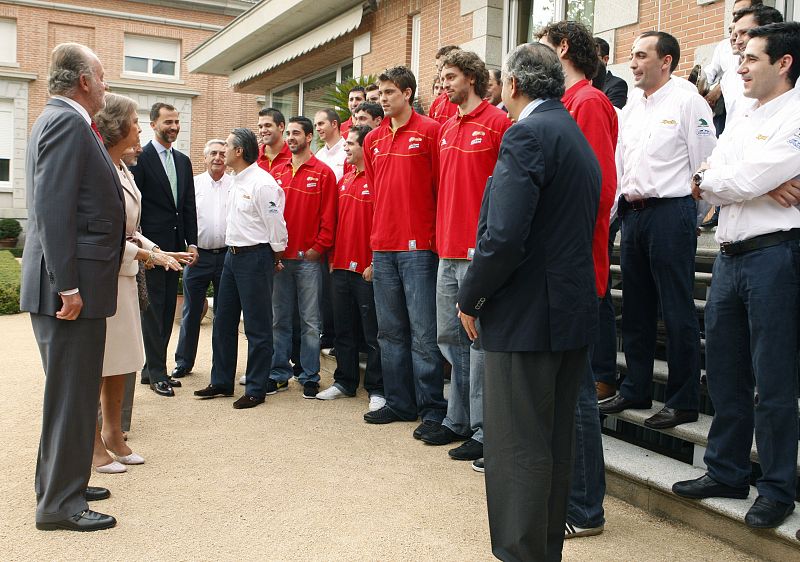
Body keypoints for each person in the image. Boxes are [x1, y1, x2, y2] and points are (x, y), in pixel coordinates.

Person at [457, 42, 601, 562]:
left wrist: (470, 296)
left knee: (517, 450)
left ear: (514, 84)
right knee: (552, 448)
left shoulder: (527, 134)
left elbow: (503, 237)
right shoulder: (573, 135)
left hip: (526, 316)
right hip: (566, 312)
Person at [673, 21, 800, 530]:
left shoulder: (796, 113)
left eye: (750, 58)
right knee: (725, 372)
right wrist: (750, 183)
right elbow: (705, 175)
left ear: (784, 63)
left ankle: (776, 488)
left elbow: (733, 179)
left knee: (774, 379)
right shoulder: (744, 115)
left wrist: (729, 182)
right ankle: (726, 471)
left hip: (776, 256)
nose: (740, 67)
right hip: (730, 255)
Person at [21, 42, 124, 532]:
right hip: (69, 289)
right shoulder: (66, 122)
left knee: (73, 393)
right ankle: (60, 505)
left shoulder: (62, 120)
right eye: (102, 77)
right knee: (70, 396)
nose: (106, 86)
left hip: (75, 283)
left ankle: (65, 484)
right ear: (84, 81)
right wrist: (67, 286)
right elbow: (52, 208)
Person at [599, 32, 717, 429]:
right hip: (633, 214)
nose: (632, 63)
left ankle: (683, 400)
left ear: (666, 61)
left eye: (640, 56)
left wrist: (691, 215)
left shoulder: (687, 101)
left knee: (677, 308)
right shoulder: (633, 105)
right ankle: (636, 387)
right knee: (636, 307)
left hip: (671, 212)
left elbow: (705, 162)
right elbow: (621, 163)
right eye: (632, 55)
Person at [539, 20, 619, 541]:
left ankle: (586, 508)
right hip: (561, 267)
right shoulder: (565, 103)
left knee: (577, 392)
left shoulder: (588, 101)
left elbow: (598, 188)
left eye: (543, 47)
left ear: (563, 48)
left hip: (575, 268)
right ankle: (570, 495)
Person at [91, 94, 189, 474]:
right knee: (100, 364)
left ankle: (115, 435)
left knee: (123, 361)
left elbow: (131, 229)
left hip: (126, 278)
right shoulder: (101, 168)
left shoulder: (123, 168)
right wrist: (148, 256)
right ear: (117, 127)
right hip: (106, 279)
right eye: (134, 122)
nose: (138, 129)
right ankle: (94, 445)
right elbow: (107, 236)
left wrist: (159, 251)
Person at [428, 49, 510, 463]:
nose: (444, 84)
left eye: (451, 77)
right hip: (446, 249)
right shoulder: (445, 128)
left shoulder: (498, 123)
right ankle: (457, 419)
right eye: (443, 77)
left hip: (479, 253)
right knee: (449, 337)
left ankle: (483, 429)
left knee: (478, 342)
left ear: (472, 78)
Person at [361, 66, 446, 435]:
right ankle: (399, 402)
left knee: (424, 333)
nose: (383, 99)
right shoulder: (372, 140)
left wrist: (435, 242)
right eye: (380, 93)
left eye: (390, 92)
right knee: (389, 332)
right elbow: (376, 195)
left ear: (408, 93)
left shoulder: (431, 131)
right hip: (383, 247)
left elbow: (441, 189)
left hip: (419, 249)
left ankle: (432, 408)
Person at [194, 128, 288, 408]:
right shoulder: (235, 181)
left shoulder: (263, 184)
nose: (222, 151)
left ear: (239, 151)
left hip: (255, 257)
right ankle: (222, 381)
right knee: (223, 321)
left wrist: (275, 256)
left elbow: (276, 225)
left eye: (227, 146)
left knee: (258, 326)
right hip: (232, 257)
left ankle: (256, 388)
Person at [131, 102, 198, 396]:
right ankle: (158, 373)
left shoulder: (183, 161)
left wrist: (192, 242)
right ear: (153, 124)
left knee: (168, 308)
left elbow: (188, 206)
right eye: (168, 122)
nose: (173, 127)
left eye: (176, 122)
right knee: (153, 311)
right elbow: (135, 209)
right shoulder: (140, 159)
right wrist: (144, 249)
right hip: (151, 251)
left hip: (176, 250)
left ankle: (152, 369)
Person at [316, 125, 385, 411]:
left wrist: (374, 262)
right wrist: (333, 258)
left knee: (372, 334)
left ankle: (377, 389)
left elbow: (382, 224)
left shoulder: (378, 180)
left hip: (366, 270)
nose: (346, 147)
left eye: (352, 144)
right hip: (341, 268)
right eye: (346, 144)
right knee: (343, 330)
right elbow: (334, 223)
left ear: (365, 147)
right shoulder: (343, 181)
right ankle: (344, 382)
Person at [269, 116, 337, 398]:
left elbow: (329, 217)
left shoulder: (324, 173)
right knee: (279, 320)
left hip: (309, 261)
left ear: (309, 137)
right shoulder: (278, 172)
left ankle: (310, 376)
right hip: (280, 259)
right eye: (289, 133)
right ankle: (278, 374)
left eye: (296, 133)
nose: (291, 138)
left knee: (310, 322)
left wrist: (318, 248)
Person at [173, 139, 233, 378]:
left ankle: (221, 368)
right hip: (198, 256)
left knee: (224, 314)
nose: (218, 158)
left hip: (227, 256)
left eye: (222, 154)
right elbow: (183, 217)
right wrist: (188, 246)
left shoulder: (235, 185)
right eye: (213, 153)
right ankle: (183, 362)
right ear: (204, 157)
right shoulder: (194, 184)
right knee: (191, 311)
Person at [703, 0, 762, 132]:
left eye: (744, 32)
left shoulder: (773, 71)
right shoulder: (724, 49)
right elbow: (709, 73)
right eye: (734, 14)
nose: (735, 39)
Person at [429, 46, 460, 123]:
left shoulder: (466, 101)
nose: (438, 71)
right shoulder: (437, 102)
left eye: (441, 67)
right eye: (437, 67)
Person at [594, 37, 628, 108]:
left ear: (605, 59)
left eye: (593, 56)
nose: (588, 60)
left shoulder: (617, 84)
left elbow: (612, 113)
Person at [314, 108, 347, 181]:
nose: (317, 129)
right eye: (315, 125)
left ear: (334, 124)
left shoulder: (348, 152)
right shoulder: (318, 155)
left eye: (321, 124)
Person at [257, 107, 292, 173]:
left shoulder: (296, 156)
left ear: (281, 126)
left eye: (268, 125)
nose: (263, 130)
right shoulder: (253, 158)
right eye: (260, 127)